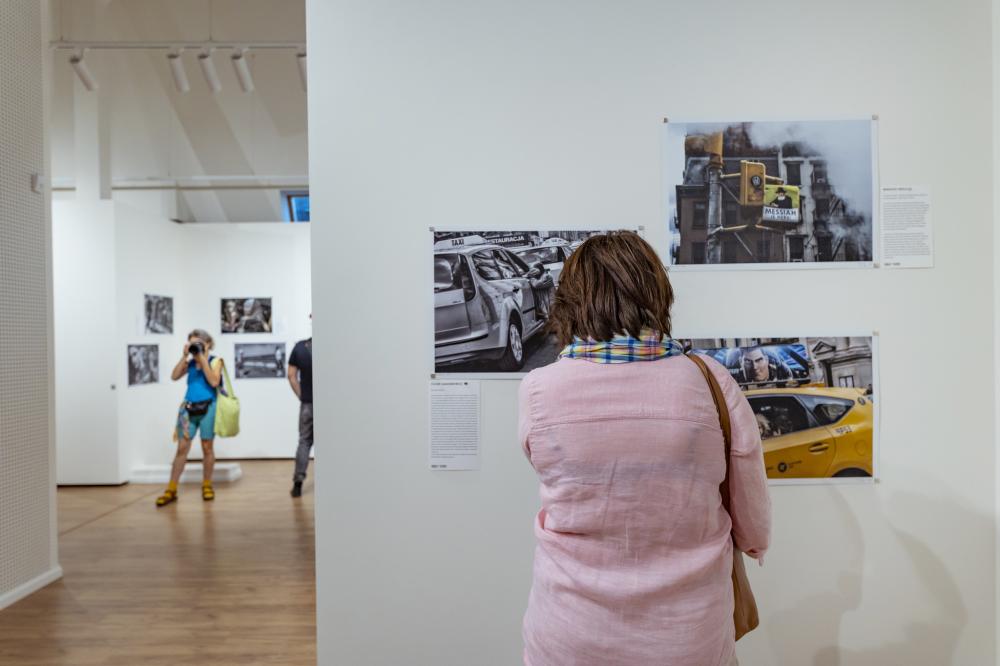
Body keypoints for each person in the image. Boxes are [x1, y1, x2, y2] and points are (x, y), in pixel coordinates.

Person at [518, 231, 771, 666]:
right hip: (687, 637)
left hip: (569, 632)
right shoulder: (708, 380)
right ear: (655, 293)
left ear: (573, 301)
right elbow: (753, 523)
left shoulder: (539, 388)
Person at [156, 329, 225, 507]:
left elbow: (214, 382)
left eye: (198, 343)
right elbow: (174, 376)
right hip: (188, 409)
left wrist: (202, 357)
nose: (195, 346)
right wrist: (184, 356)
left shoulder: (216, 361)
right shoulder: (191, 363)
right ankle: (171, 489)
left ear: (208, 344)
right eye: (192, 343)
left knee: (207, 447)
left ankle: (207, 484)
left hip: (209, 408)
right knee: (181, 448)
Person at [287, 334, 313, 498]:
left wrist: (302, 396)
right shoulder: (335, 346)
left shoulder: (300, 347)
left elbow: (291, 375)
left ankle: (298, 484)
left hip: (308, 403)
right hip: (331, 404)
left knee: (304, 442)